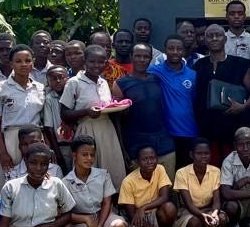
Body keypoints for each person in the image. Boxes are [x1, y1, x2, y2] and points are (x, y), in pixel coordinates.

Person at [0, 45, 56, 192]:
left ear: (32, 62)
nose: (23, 64)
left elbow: (44, 121)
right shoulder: (1, 87)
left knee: (37, 176)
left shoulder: (39, 88)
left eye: (27, 60)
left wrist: (48, 148)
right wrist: (3, 152)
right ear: (11, 64)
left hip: (35, 138)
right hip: (11, 139)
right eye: (18, 61)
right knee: (10, 181)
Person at [60, 44, 128, 187]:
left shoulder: (103, 82)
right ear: (84, 61)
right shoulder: (74, 83)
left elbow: (106, 107)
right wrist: (86, 111)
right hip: (87, 130)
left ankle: (112, 205)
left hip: (107, 130)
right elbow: (64, 114)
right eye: (92, 61)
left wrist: (117, 107)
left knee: (111, 168)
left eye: (101, 61)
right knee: (88, 169)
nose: (96, 65)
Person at [62, 135, 129, 227]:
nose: (89, 158)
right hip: (82, 221)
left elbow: (107, 203)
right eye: (84, 155)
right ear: (75, 155)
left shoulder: (102, 174)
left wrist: (99, 225)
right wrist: (87, 220)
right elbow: (65, 213)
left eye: (92, 155)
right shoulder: (66, 182)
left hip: (104, 215)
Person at [193, 24, 250, 163]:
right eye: (210, 36)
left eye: (218, 35)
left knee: (234, 168)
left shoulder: (240, 63)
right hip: (207, 127)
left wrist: (243, 107)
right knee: (211, 170)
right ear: (205, 40)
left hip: (233, 126)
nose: (214, 38)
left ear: (225, 39)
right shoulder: (198, 65)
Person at [114, 43, 176, 175]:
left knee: (168, 187)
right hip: (136, 145)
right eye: (138, 56)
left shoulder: (158, 79)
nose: (142, 60)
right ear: (131, 56)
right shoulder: (120, 84)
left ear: (150, 58)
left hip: (163, 142)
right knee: (141, 191)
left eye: (146, 56)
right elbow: (117, 120)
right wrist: (122, 149)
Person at [148, 35, 200, 168]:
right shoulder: (155, 71)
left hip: (188, 131)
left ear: (183, 51)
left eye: (179, 49)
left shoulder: (192, 75)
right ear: (165, 50)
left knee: (185, 171)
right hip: (166, 133)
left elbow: (194, 100)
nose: (175, 52)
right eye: (171, 48)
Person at [119, 146, 176, 227]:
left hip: (155, 213)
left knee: (169, 208)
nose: (150, 162)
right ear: (138, 162)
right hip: (137, 219)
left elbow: (164, 197)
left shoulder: (159, 169)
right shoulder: (128, 181)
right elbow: (131, 216)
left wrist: (144, 207)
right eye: (145, 159)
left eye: (152, 158)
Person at [172, 138, 227, 227]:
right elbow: (188, 204)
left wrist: (214, 213)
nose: (203, 157)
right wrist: (203, 215)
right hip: (188, 211)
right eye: (199, 153)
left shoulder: (215, 171)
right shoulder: (182, 173)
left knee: (221, 218)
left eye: (206, 153)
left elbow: (217, 201)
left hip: (208, 208)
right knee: (195, 222)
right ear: (191, 154)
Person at [43, 65, 72, 166]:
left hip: (78, 143)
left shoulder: (74, 94)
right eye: (53, 79)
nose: (58, 81)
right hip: (62, 146)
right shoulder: (49, 99)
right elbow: (49, 128)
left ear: (68, 79)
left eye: (61, 77)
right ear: (48, 82)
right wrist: (57, 152)